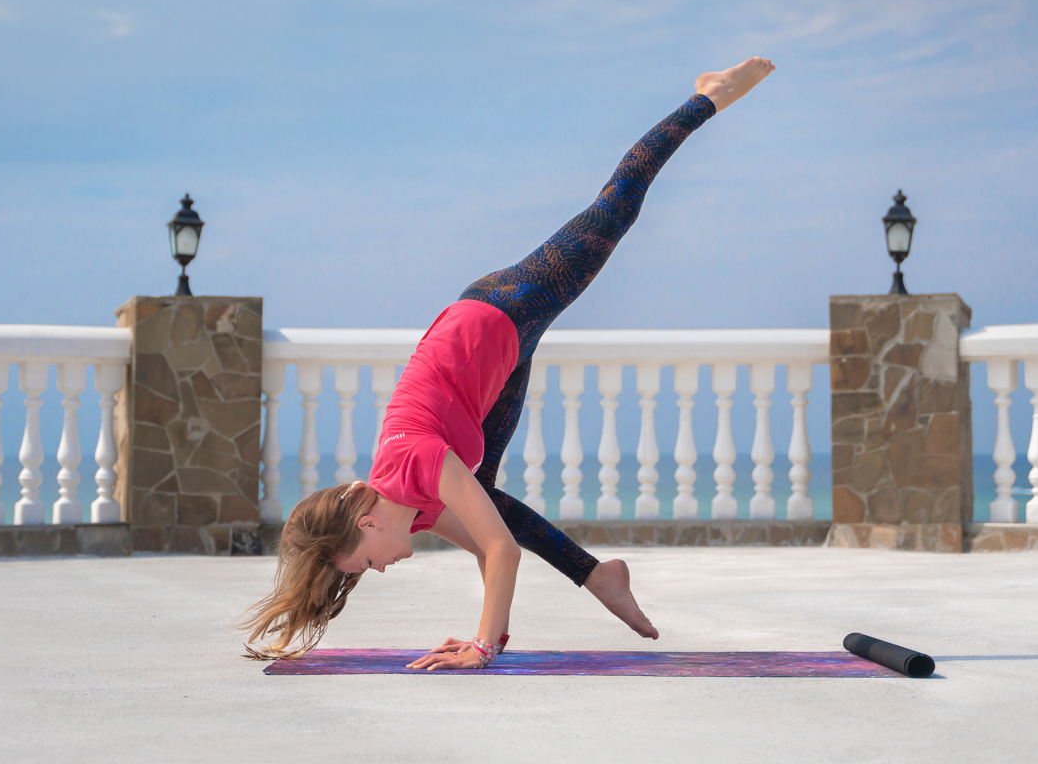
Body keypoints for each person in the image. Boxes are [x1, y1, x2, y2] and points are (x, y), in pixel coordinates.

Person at [242, 57, 776, 669]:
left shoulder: (415, 465)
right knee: (489, 500)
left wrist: (482, 648)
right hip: (491, 363)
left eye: (364, 564)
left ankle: (706, 98)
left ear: (366, 524)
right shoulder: (415, 508)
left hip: (498, 312)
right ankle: (600, 574)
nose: (378, 570)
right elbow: (487, 544)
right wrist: (483, 634)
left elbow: (502, 551)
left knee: (615, 209)